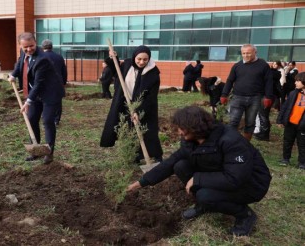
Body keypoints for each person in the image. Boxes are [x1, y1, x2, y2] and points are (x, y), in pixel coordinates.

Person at [126, 106, 272, 237]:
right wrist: (141, 182)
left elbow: (235, 178)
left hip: (250, 184)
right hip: (222, 174)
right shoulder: (191, 140)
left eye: (181, 128)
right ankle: (205, 205)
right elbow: (171, 162)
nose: (178, 132)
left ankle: (245, 215)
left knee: (204, 195)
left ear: (195, 127)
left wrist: (198, 179)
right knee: (180, 165)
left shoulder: (230, 141)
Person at [8, 32, 65, 164]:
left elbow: (39, 83)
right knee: (32, 119)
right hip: (36, 93)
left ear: (36, 42)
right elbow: (20, 65)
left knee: (47, 120)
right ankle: (36, 150)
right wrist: (13, 75)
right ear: (20, 46)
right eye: (25, 47)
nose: (29, 49)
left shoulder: (42, 58)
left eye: (31, 46)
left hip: (50, 93)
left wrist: (28, 101)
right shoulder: (24, 54)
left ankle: (49, 153)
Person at [100, 45, 163, 163]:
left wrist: (139, 111)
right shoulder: (127, 64)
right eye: (139, 59)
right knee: (129, 129)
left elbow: (151, 97)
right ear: (134, 57)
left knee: (147, 131)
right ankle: (134, 157)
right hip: (125, 102)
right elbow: (116, 71)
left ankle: (157, 156)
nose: (141, 62)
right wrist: (113, 57)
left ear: (149, 59)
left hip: (145, 105)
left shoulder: (153, 72)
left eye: (145, 59)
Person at [220, 44, 273, 141]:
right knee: (233, 122)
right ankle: (231, 143)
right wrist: (224, 94)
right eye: (243, 53)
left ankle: (245, 144)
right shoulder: (237, 66)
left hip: (255, 98)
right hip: (237, 97)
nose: (245, 55)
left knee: (250, 123)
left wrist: (268, 96)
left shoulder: (263, 65)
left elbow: (269, 81)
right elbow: (230, 80)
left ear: (255, 52)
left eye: (248, 53)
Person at [276, 72, 305, 169]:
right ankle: (285, 159)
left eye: (298, 81)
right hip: (290, 123)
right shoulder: (293, 93)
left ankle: (302, 163)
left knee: (302, 144)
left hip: (302, 126)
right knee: (287, 141)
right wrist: (280, 120)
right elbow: (284, 107)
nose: (295, 83)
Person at [254, 61, 283, 141]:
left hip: (268, 96)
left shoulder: (276, 73)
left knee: (263, 115)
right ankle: (263, 132)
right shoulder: (268, 73)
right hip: (265, 95)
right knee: (262, 115)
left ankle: (264, 135)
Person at [41, 39, 67, 126]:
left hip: (44, 83)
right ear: (51, 47)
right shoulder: (59, 57)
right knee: (57, 102)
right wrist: (63, 82)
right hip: (57, 83)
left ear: (42, 47)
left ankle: (46, 118)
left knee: (44, 101)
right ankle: (56, 119)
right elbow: (64, 71)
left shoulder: (40, 56)